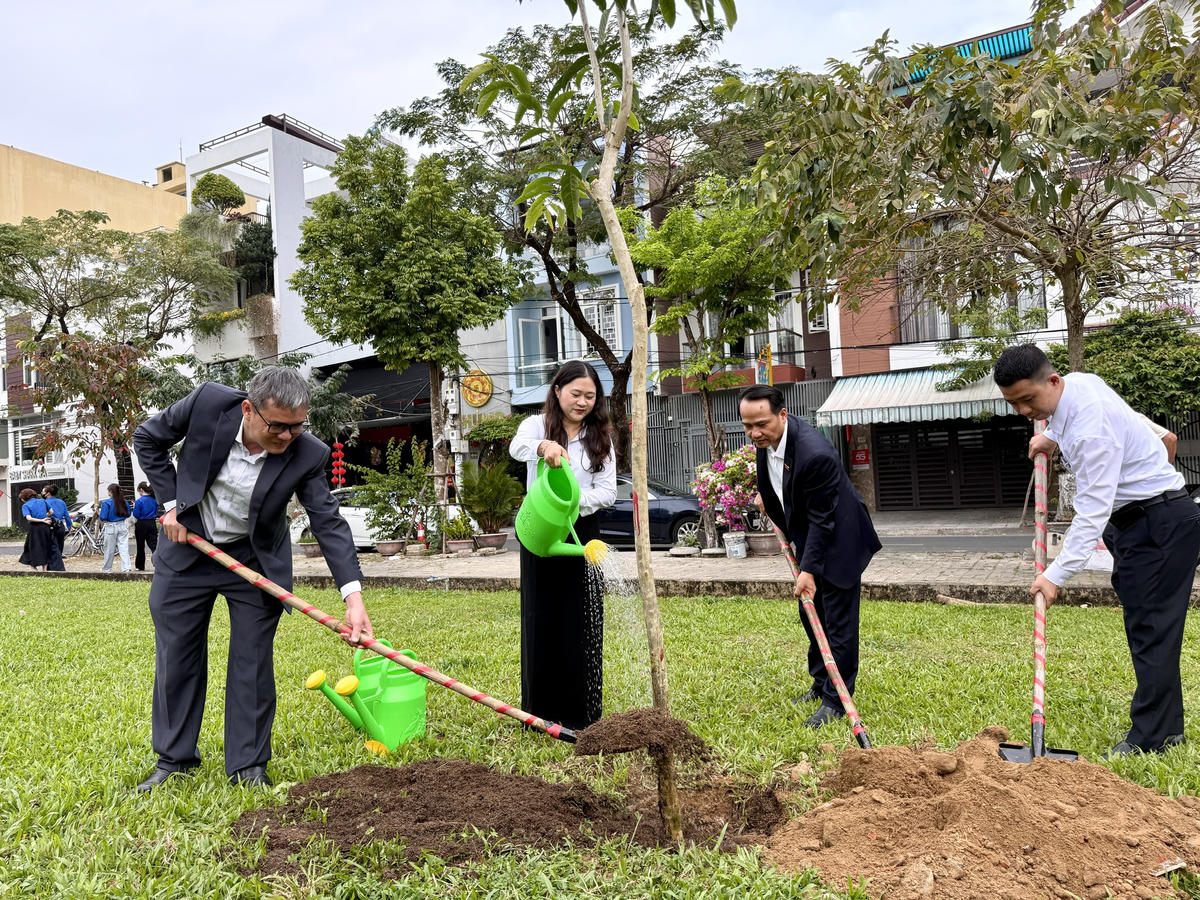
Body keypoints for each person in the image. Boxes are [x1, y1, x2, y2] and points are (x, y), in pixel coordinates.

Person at [132, 366, 373, 792]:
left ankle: (247, 766)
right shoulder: (208, 402)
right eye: (278, 427)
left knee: (252, 662)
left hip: (253, 559)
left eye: (297, 427)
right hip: (188, 547)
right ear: (248, 409)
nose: (287, 437)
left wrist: (352, 598)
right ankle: (174, 760)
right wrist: (171, 503)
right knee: (177, 657)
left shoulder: (308, 452)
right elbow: (147, 437)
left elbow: (329, 522)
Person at [994, 344, 1200, 757]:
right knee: (1150, 627)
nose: (1023, 412)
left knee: (1151, 632)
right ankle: (1168, 728)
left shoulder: (1092, 433)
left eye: (1028, 400)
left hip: (1157, 525)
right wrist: (1049, 437)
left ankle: (1152, 739)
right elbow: (1159, 434)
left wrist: (1055, 576)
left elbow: (1090, 514)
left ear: (1052, 382)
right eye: (1014, 404)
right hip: (1142, 522)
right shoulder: (1080, 385)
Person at [739, 384, 882, 728]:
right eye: (747, 425)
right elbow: (779, 481)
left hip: (840, 538)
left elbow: (823, 517)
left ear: (782, 415)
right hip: (812, 536)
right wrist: (769, 499)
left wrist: (809, 570)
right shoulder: (767, 441)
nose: (755, 432)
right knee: (811, 616)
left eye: (761, 424)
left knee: (837, 624)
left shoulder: (814, 453)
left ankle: (836, 700)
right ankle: (821, 684)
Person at [510, 360, 617, 730]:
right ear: (557, 391)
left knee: (584, 618)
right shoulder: (535, 425)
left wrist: (571, 502)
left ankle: (584, 714)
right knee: (540, 617)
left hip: (584, 533)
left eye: (590, 396)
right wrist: (544, 447)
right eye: (576, 394)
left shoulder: (600, 435)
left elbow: (607, 492)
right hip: (540, 530)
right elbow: (516, 447)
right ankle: (538, 713)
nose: (582, 402)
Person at [99, 483, 132, 573]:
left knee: (109, 549)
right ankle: (126, 568)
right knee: (123, 548)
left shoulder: (106, 502)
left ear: (110, 492)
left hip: (110, 527)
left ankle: (106, 569)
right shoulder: (124, 502)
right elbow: (128, 514)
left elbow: (103, 517)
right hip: (122, 525)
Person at [18, 488, 53, 571]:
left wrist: (40, 520)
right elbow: (51, 512)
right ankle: (45, 569)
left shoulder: (25, 505)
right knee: (45, 546)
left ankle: (34, 567)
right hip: (45, 527)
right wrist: (45, 517)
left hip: (35, 529)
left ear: (24, 498)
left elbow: (29, 518)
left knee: (32, 547)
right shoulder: (42, 501)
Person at [42, 484, 72, 572]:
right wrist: (70, 526)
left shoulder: (45, 502)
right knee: (59, 548)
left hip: (50, 526)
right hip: (61, 526)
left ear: (47, 493)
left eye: (43, 492)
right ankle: (58, 567)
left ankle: (53, 568)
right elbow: (67, 515)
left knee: (51, 548)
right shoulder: (61, 502)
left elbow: (43, 515)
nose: (42, 493)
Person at [132, 481, 160, 571]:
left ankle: (140, 566)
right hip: (152, 523)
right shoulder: (154, 500)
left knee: (140, 545)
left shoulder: (139, 501)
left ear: (141, 490)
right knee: (154, 545)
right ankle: (158, 564)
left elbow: (136, 514)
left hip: (141, 523)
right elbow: (156, 512)